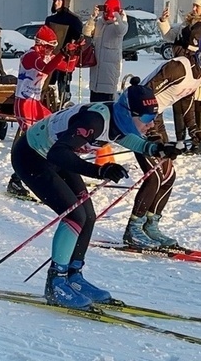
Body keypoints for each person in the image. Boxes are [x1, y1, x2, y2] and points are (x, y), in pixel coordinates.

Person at [11, 76, 166, 309]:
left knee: (88, 216)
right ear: (128, 113)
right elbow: (58, 153)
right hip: (32, 157)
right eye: (146, 118)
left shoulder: (117, 120)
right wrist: (100, 171)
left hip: (55, 157)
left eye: (154, 117)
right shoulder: (95, 120)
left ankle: (74, 276)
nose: (151, 124)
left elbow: (125, 137)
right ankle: (56, 282)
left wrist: (155, 148)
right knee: (75, 216)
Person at [123, 22, 201, 249]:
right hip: (134, 117)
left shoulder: (199, 73)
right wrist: (150, 128)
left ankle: (150, 226)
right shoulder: (178, 66)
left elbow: (185, 100)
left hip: (154, 119)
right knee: (155, 175)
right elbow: (146, 92)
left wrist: (194, 129)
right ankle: (133, 229)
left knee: (168, 176)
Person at [6, 26, 70, 198]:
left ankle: (53, 169)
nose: (50, 51)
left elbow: (68, 67)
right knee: (33, 144)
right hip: (24, 104)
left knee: (53, 133)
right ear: (40, 44)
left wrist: (75, 51)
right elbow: (46, 69)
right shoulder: (31, 56)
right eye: (48, 47)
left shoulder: (46, 55)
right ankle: (16, 179)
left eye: (53, 48)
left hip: (35, 104)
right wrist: (61, 54)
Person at [158, 0, 201, 154]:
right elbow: (170, 36)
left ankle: (197, 142)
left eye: (197, 6)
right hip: (182, 69)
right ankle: (180, 141)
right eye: (193, 5)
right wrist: (164, 21)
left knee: (197, 104)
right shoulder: (185, 24)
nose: (194, 9)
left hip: (200, 70)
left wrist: (179, 48)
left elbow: (198, 49)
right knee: (180, 102)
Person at [83, 0, 128, 102]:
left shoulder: (120, 23)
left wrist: (116, 15)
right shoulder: (99, 22)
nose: (106, 11)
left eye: (108, 8)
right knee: (93, 106)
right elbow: (86, 32)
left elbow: (121, 30)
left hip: (109, 74)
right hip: (96, 74)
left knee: (106, 108)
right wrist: (93, 17)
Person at [44, 0, 83, 106]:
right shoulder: (50, 19)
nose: (56, 3)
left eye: (59, 0)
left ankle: (64, 107)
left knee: (63, 86)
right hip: (50, 57)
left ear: (65, 2)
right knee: (47, 85)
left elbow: (78, 40)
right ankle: (46, 107)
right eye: (55, 0)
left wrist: (73, 48)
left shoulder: (74, 20)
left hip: (65, 59)